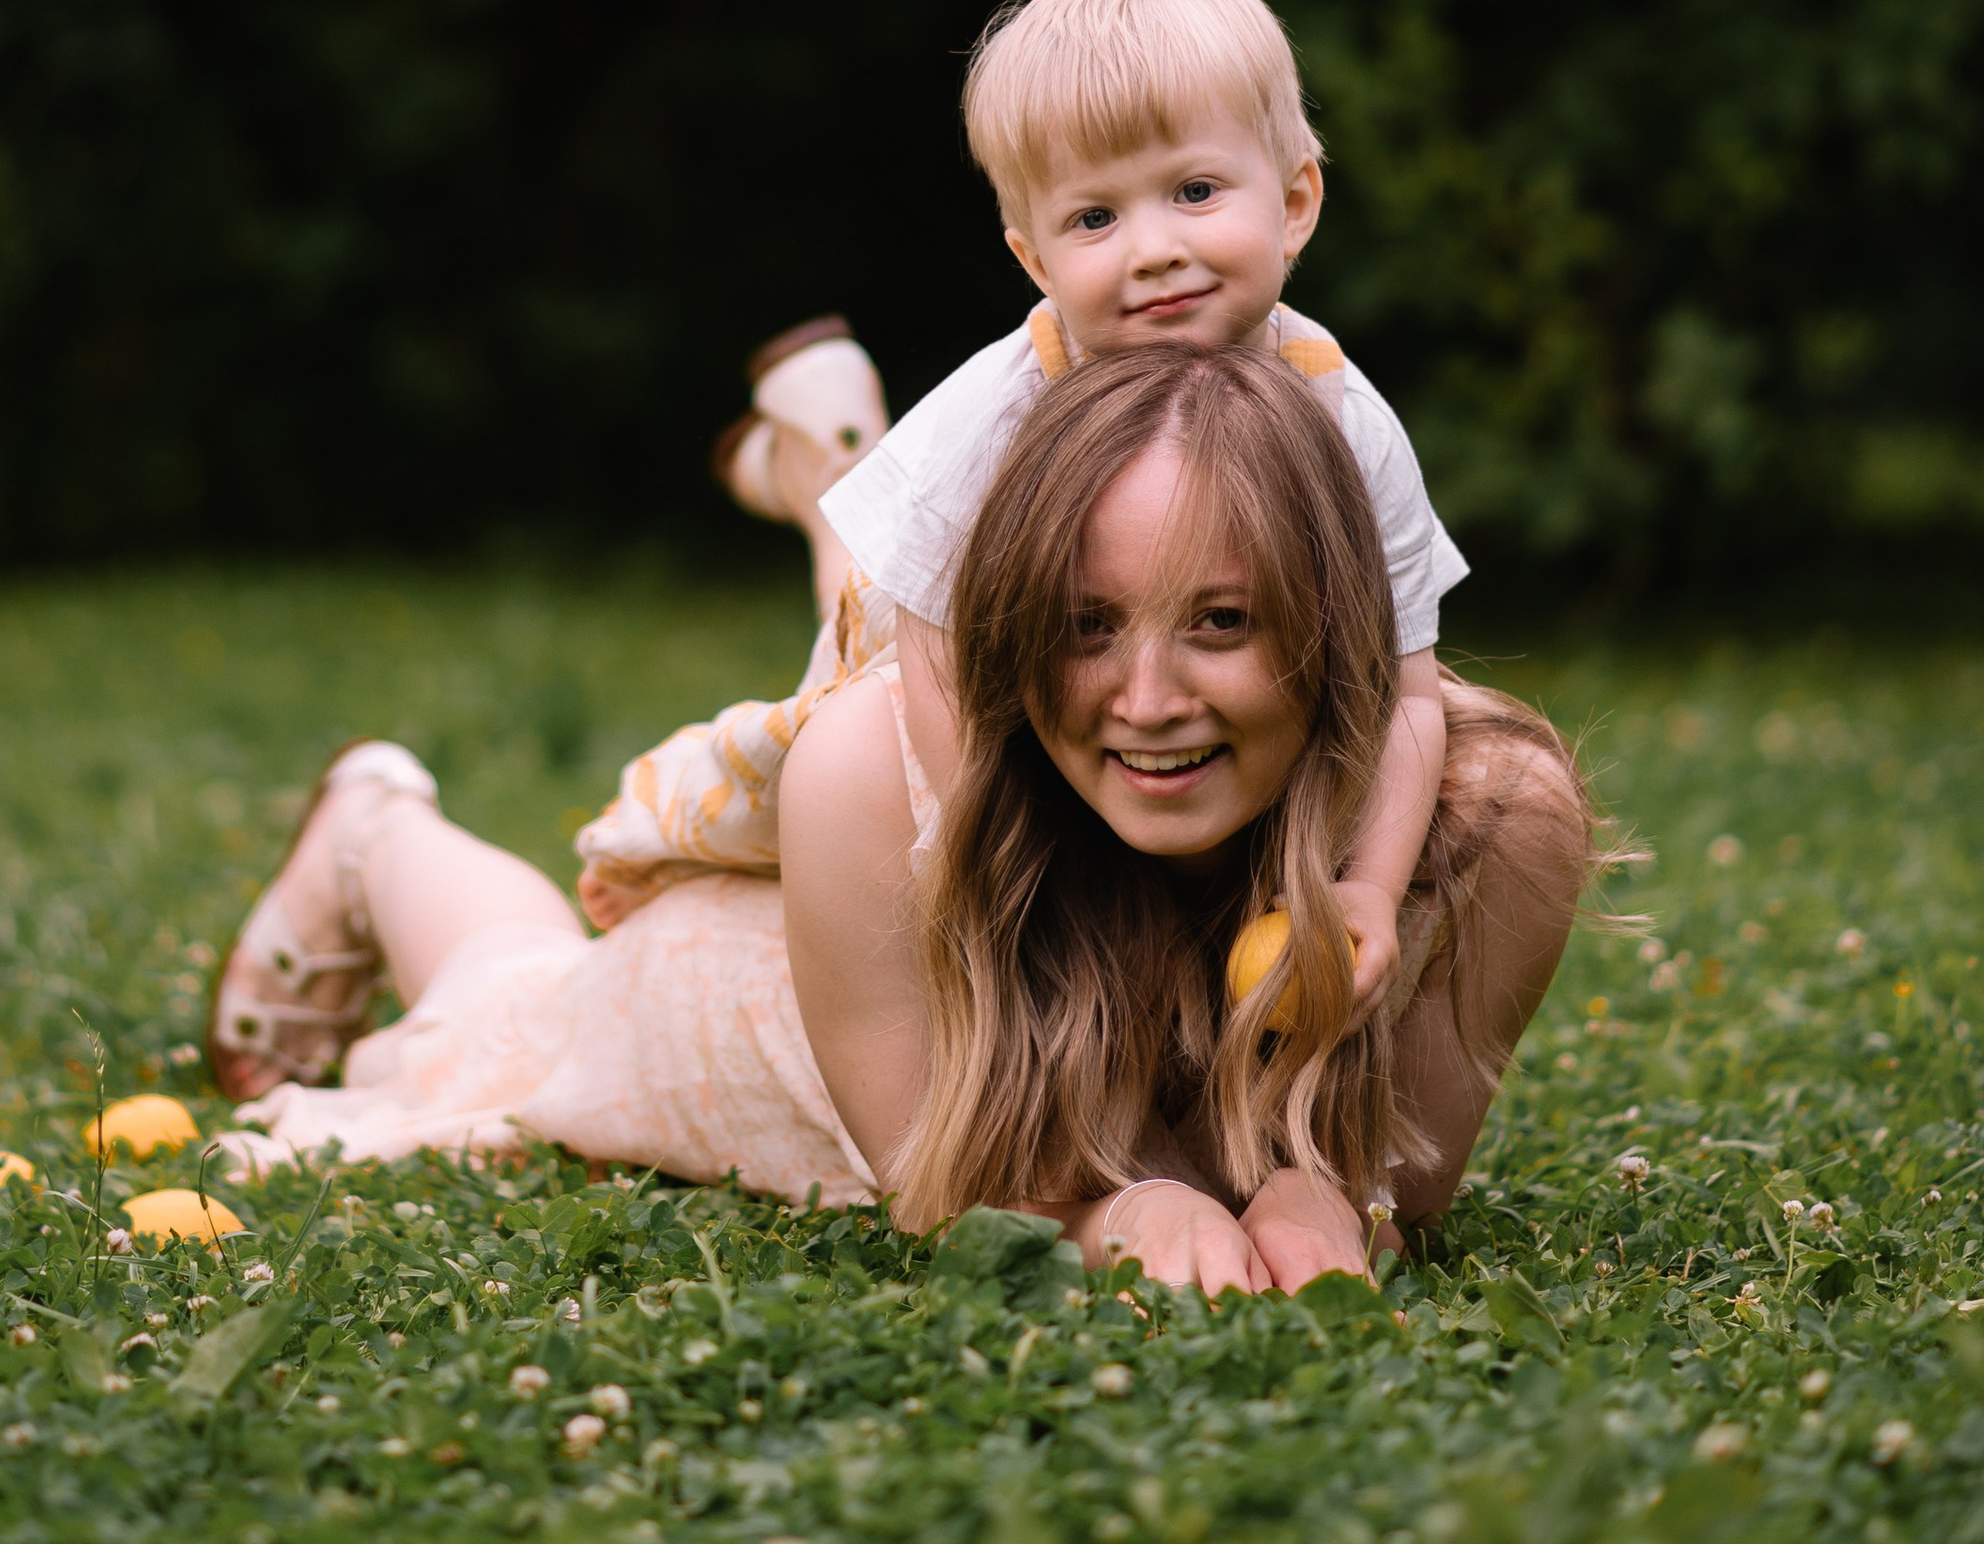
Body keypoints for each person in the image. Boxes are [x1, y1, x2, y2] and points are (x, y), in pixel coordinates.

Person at [207, 348, 1588, 1291]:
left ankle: (830, 456)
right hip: (764, 996)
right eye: (1084, 626)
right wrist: (1111, 1218)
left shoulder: (1476, 819)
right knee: (514, 998)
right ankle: (374, 826)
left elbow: (1390, 1176)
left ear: (1336, 629)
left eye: (1223, 622)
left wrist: (1327, 1193)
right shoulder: (881, 773)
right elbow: (944, 1191)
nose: (1152, 700)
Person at [554, 0, 1464, 1020]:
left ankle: (825, 455)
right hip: (925, 658)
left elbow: (1407, 692)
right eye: (1095, 218)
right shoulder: (996, 416)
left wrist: (1366, 883)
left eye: (1195, 189)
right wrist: (1009, 865)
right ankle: (827, 469)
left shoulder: (1343, 418)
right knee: (842, 680)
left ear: (1297, 199)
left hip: (1087, 685)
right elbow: (934, 676)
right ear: (1033, 261)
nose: (1154, 249)